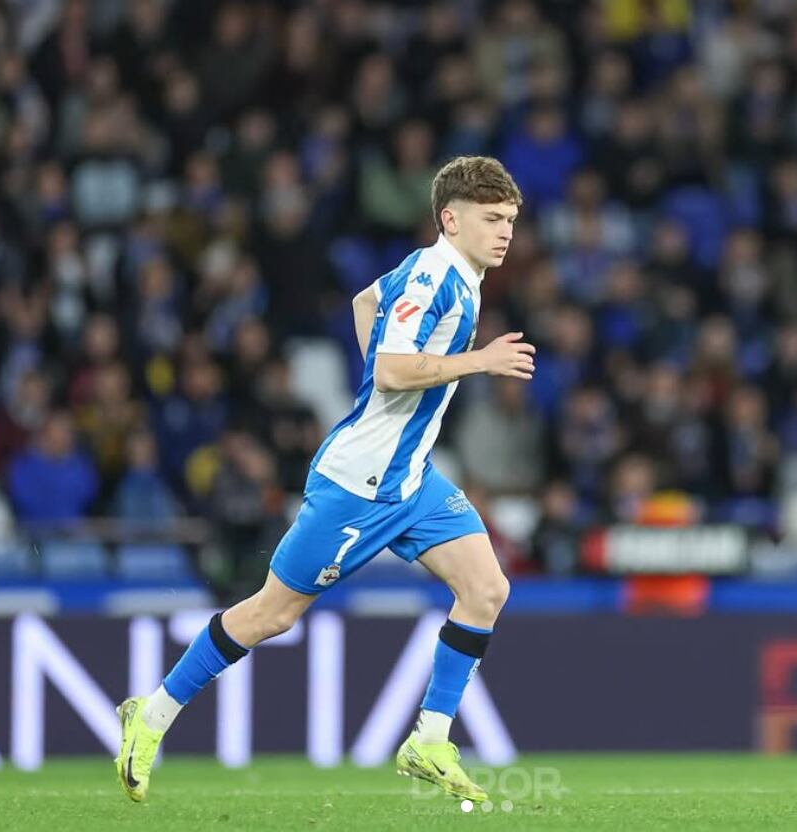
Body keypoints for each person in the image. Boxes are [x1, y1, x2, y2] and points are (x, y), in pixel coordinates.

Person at [115, 156, 531, 805]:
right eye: (491, 219)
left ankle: (429, 737)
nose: (505, 232)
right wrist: (477, 361)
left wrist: (385, 386)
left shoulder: (458, 276)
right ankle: (152, 714)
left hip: (410, 478)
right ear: (451, 219)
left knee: (485, 589)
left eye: (509, 220)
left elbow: (367, 302)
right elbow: (392, 371)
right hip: (359, 485)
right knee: (271, 614)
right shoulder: (435, 275)